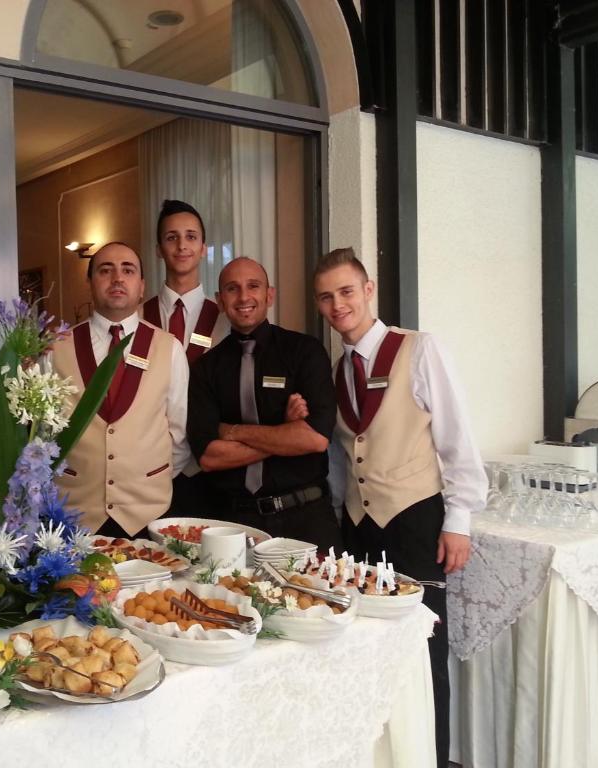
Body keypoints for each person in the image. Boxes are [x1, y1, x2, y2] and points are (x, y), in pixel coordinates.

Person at [313, 247, 486, 768]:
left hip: (415, 520)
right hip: (361, 527)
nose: (337, 304)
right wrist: (342, 518)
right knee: (368, 650)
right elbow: (345, 455)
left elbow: (457, 439)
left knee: (424, 651)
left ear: (368, 290)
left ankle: (430, 758)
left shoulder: (419, 348)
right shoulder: (339, 368)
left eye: (346, 291)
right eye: (326, 297)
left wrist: (459, 521)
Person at [187, 257, 341, 552]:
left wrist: (231, 431)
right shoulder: (205, 368)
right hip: (232, 524)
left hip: (306, 519)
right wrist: (285, 432)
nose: (244, 297)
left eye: (253, 286)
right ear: (220, 301)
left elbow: (315, 438)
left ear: (269, 295)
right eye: (232, 289)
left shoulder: (305, 352)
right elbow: (209, 457)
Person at [52, 241, 190, 538]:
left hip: (147, 513)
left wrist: (147, 474)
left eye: (128, 270)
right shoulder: (55, 348)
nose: (117, 278)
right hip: (75, 513)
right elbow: (42, 433)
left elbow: (179, 432)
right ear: (90, 283)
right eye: (105, 270)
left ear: (141, 286)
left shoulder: (170, 348)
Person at [141, 200, 229, 517]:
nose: (182, 246)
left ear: (204, 248)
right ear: (158, 249)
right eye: (171, 237)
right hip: (149, 471)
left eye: (191, 237)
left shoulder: (226, 319)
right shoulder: (137, 319)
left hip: (212, 471)